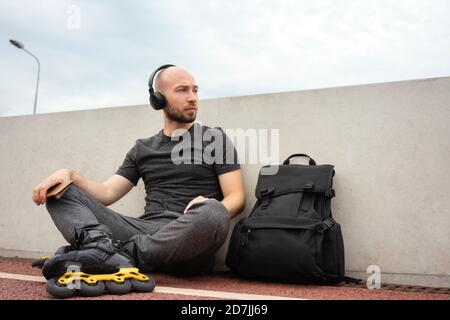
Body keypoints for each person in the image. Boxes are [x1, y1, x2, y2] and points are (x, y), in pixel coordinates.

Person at [31, 65, 245, 283]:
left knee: (214, 212)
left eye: (195, 90)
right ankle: (101, 248)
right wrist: (70, 175)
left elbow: (236, 198)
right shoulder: (142, 148)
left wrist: (209, 204)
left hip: (188, 238)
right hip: (141, 231)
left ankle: (110, 254)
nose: (193, 98)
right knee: (59, 191)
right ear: (158, 99)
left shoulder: (214, 138)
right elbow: (107, 192)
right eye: (182, 90)